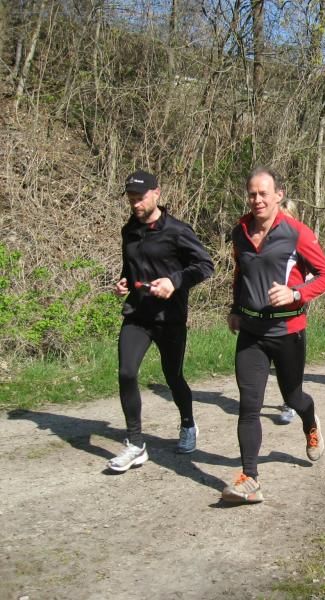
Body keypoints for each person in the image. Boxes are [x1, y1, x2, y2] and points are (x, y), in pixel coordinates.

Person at [222, 167, 325, 503]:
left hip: (288, 330)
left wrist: (296, 293)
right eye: (252, 193)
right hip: (251, 331)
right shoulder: (240, 231)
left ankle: (310, 421)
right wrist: (235, 308)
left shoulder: (296, 232)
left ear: (278, 195)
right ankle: (250, 478)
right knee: (249, 404)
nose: (257, 199)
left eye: (263, 193)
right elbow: (240, 273)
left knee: (294, 396)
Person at [108, 170, 214, 472]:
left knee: (173, 376)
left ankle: (188, 424)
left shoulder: (177, 231)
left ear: (157, 193)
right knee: (127, 372)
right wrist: (123, 282)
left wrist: (174, 281)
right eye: (131, 199)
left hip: (169, 318)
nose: (135, 204)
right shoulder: (129, 230)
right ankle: (136, 444)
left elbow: (205, 265)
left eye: (140, 198)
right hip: (137, 315)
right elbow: (130, 267)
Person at [275, 197, 302, 425]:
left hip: (294, 308)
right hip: (269, 311)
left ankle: (291, 401)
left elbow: (319, 275)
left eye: (287, 218)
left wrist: (296, 292)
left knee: (292, 362)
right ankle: (289, 399)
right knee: (278, 361)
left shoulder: (302, 239)